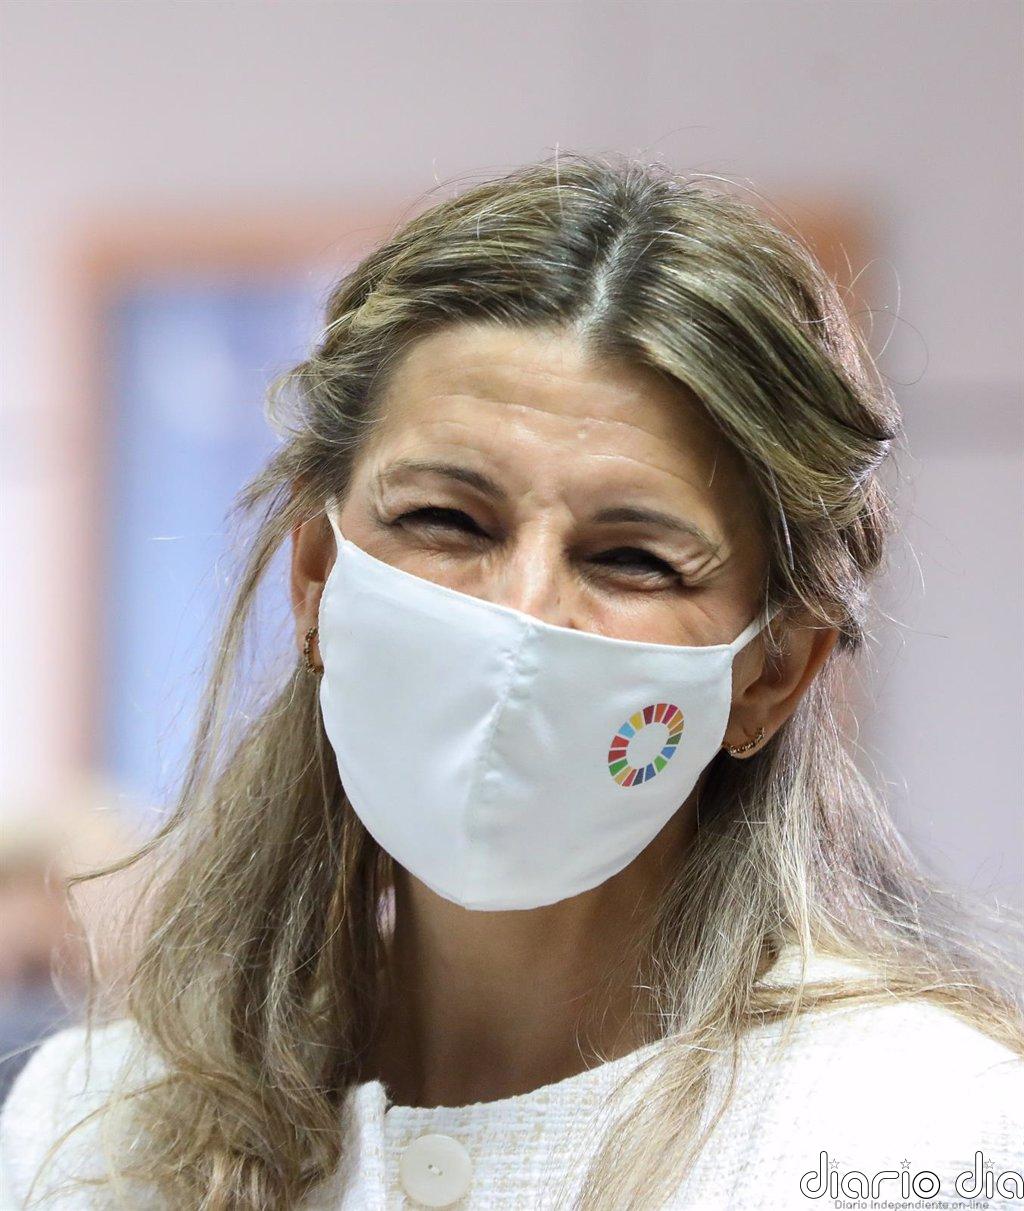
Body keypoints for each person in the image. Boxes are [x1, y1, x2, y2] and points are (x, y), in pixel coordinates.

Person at [1, 152, 1021, 1210]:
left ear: (773, 672)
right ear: (317, 577)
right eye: (447, 520)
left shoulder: (936, 1137)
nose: (523, 612)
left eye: (632, 558)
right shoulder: (93, 1130)